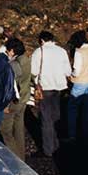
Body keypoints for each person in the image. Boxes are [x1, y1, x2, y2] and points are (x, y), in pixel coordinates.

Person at [30, 30, 71, 158]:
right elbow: (68, 71)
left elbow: (34, 71)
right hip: (59, 87)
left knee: (46, 119)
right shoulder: (62, 51)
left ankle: (48, 149)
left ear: (41, 40)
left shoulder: (39, 51)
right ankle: (56, 144)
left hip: (45, 87)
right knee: (55, 116)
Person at [2, 38, 31, 160]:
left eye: (8, 51)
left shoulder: (14, 65)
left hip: (14, 101)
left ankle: (16, 158)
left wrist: (6, 105)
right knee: (19, 128)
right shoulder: (26, 59)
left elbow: (11, 87)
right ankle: (22, 154)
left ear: (12, 51)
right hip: (25, 98)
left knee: (6, 131)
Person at [67, 30, 88, 143]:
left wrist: (71, 76)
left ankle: (72, 135)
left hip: (80, 83)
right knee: (87, 110)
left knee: (72, 109)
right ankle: (87, 134)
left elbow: (77, 71)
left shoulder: (79, 52)